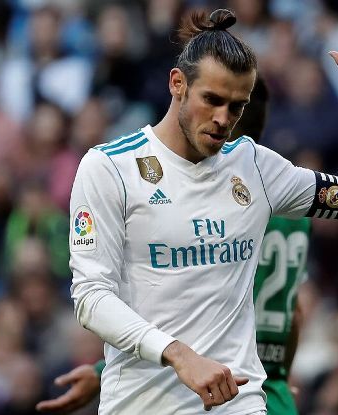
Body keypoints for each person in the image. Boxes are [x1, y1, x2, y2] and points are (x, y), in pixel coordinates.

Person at [68, 8, 338, 414]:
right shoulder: (110, 168)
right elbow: (91, 297)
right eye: (212, 100)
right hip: (141, 403)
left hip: (238, 404)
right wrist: (178, 355)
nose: (224, 119)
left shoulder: (254, 166)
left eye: (236, 107)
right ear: (177, 84)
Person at [38, 78, 311, 414]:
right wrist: (280, 373)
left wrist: (104, 370)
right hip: (273, 393)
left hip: (215, 388)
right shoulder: (290, 205)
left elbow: (200, 303)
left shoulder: (230, 202)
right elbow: (294, 313)